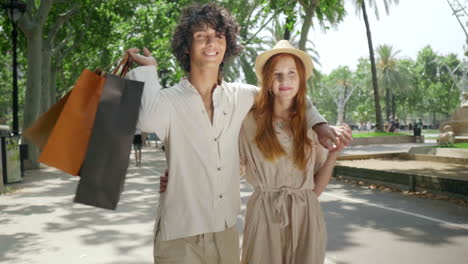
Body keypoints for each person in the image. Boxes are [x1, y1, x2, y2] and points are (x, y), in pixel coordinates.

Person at [127, 3, 351, 263]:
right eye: (201, 35)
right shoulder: (168, 100)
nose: (211, 42)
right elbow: (146, 119)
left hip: (225, 230)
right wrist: (148, 70)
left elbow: (287, 95)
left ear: (227, 45)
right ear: (187, 46)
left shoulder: (242, 96)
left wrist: (319, 124)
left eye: (219, 36)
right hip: (180, 230)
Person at [238, 41, 346, 264]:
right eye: (276, 74)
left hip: (306, 218)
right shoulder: (248, 121)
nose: (284, 81)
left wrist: (334, 154)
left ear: (301, 79)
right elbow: (226, 166)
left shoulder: (312, 125)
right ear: (267, 80)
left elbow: (313, 191)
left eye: (291, 73)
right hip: (264, 215)